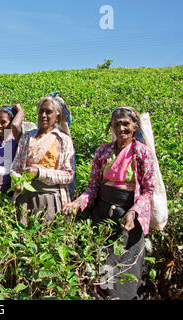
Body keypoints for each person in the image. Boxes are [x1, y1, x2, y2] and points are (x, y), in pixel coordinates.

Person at [63, 106, 155, 300]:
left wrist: (134, 212)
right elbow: (92, 188)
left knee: (127, 268)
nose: (121, 128)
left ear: (135, 126)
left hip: (129, 219)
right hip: (102, 216)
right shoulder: (103, 151)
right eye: (117, 124)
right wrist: (77, 203)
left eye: (126, 124)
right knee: (104, 266)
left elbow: (147, 191)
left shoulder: (142, 153)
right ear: (111, 126)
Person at [10, 96, 75, 224]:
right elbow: (15, 167)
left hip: (50, 198)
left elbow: (69, 175)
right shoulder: (27, 137)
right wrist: (16, 182)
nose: (44, 115)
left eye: (48, 112)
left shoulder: (63, 140)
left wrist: (39, 173)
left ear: (57, 116)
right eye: (41, 111)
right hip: (25, 196)